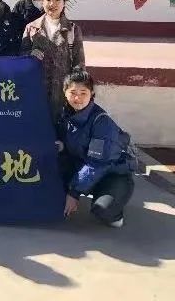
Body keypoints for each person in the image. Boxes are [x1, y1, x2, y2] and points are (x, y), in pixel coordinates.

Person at [57, 69, 136, 227]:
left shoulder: (101, 122)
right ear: (65, 92)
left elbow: (97, 163)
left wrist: (74, 193)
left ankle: (114, 210)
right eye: (73, 93)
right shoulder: (64, 115)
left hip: (112, 174)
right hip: (83, 168)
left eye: (83, 93)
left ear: (91, 94)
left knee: (103, 210)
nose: (77, 98)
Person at [20, 0, 85, 122]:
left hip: (62, 92)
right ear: (42, 1)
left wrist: (74, 90)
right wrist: (30, 53)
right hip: (36, 89)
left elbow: (79, 63)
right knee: (37, 124)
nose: (52, 4)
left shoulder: (72, 30)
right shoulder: (31, 28)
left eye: (57, 0)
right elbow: (21, 57)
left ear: (64, 2)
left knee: (60, 127)